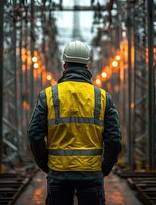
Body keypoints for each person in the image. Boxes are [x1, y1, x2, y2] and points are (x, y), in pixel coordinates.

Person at [28, 40, 122, 205]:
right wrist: (105, 167)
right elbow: (114, 140)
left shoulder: (48, 95)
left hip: (58, 172)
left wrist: (46, 164)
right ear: (87, 67)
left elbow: (34, 135)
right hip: (91, 173)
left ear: (65, 66)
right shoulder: (102, 97)